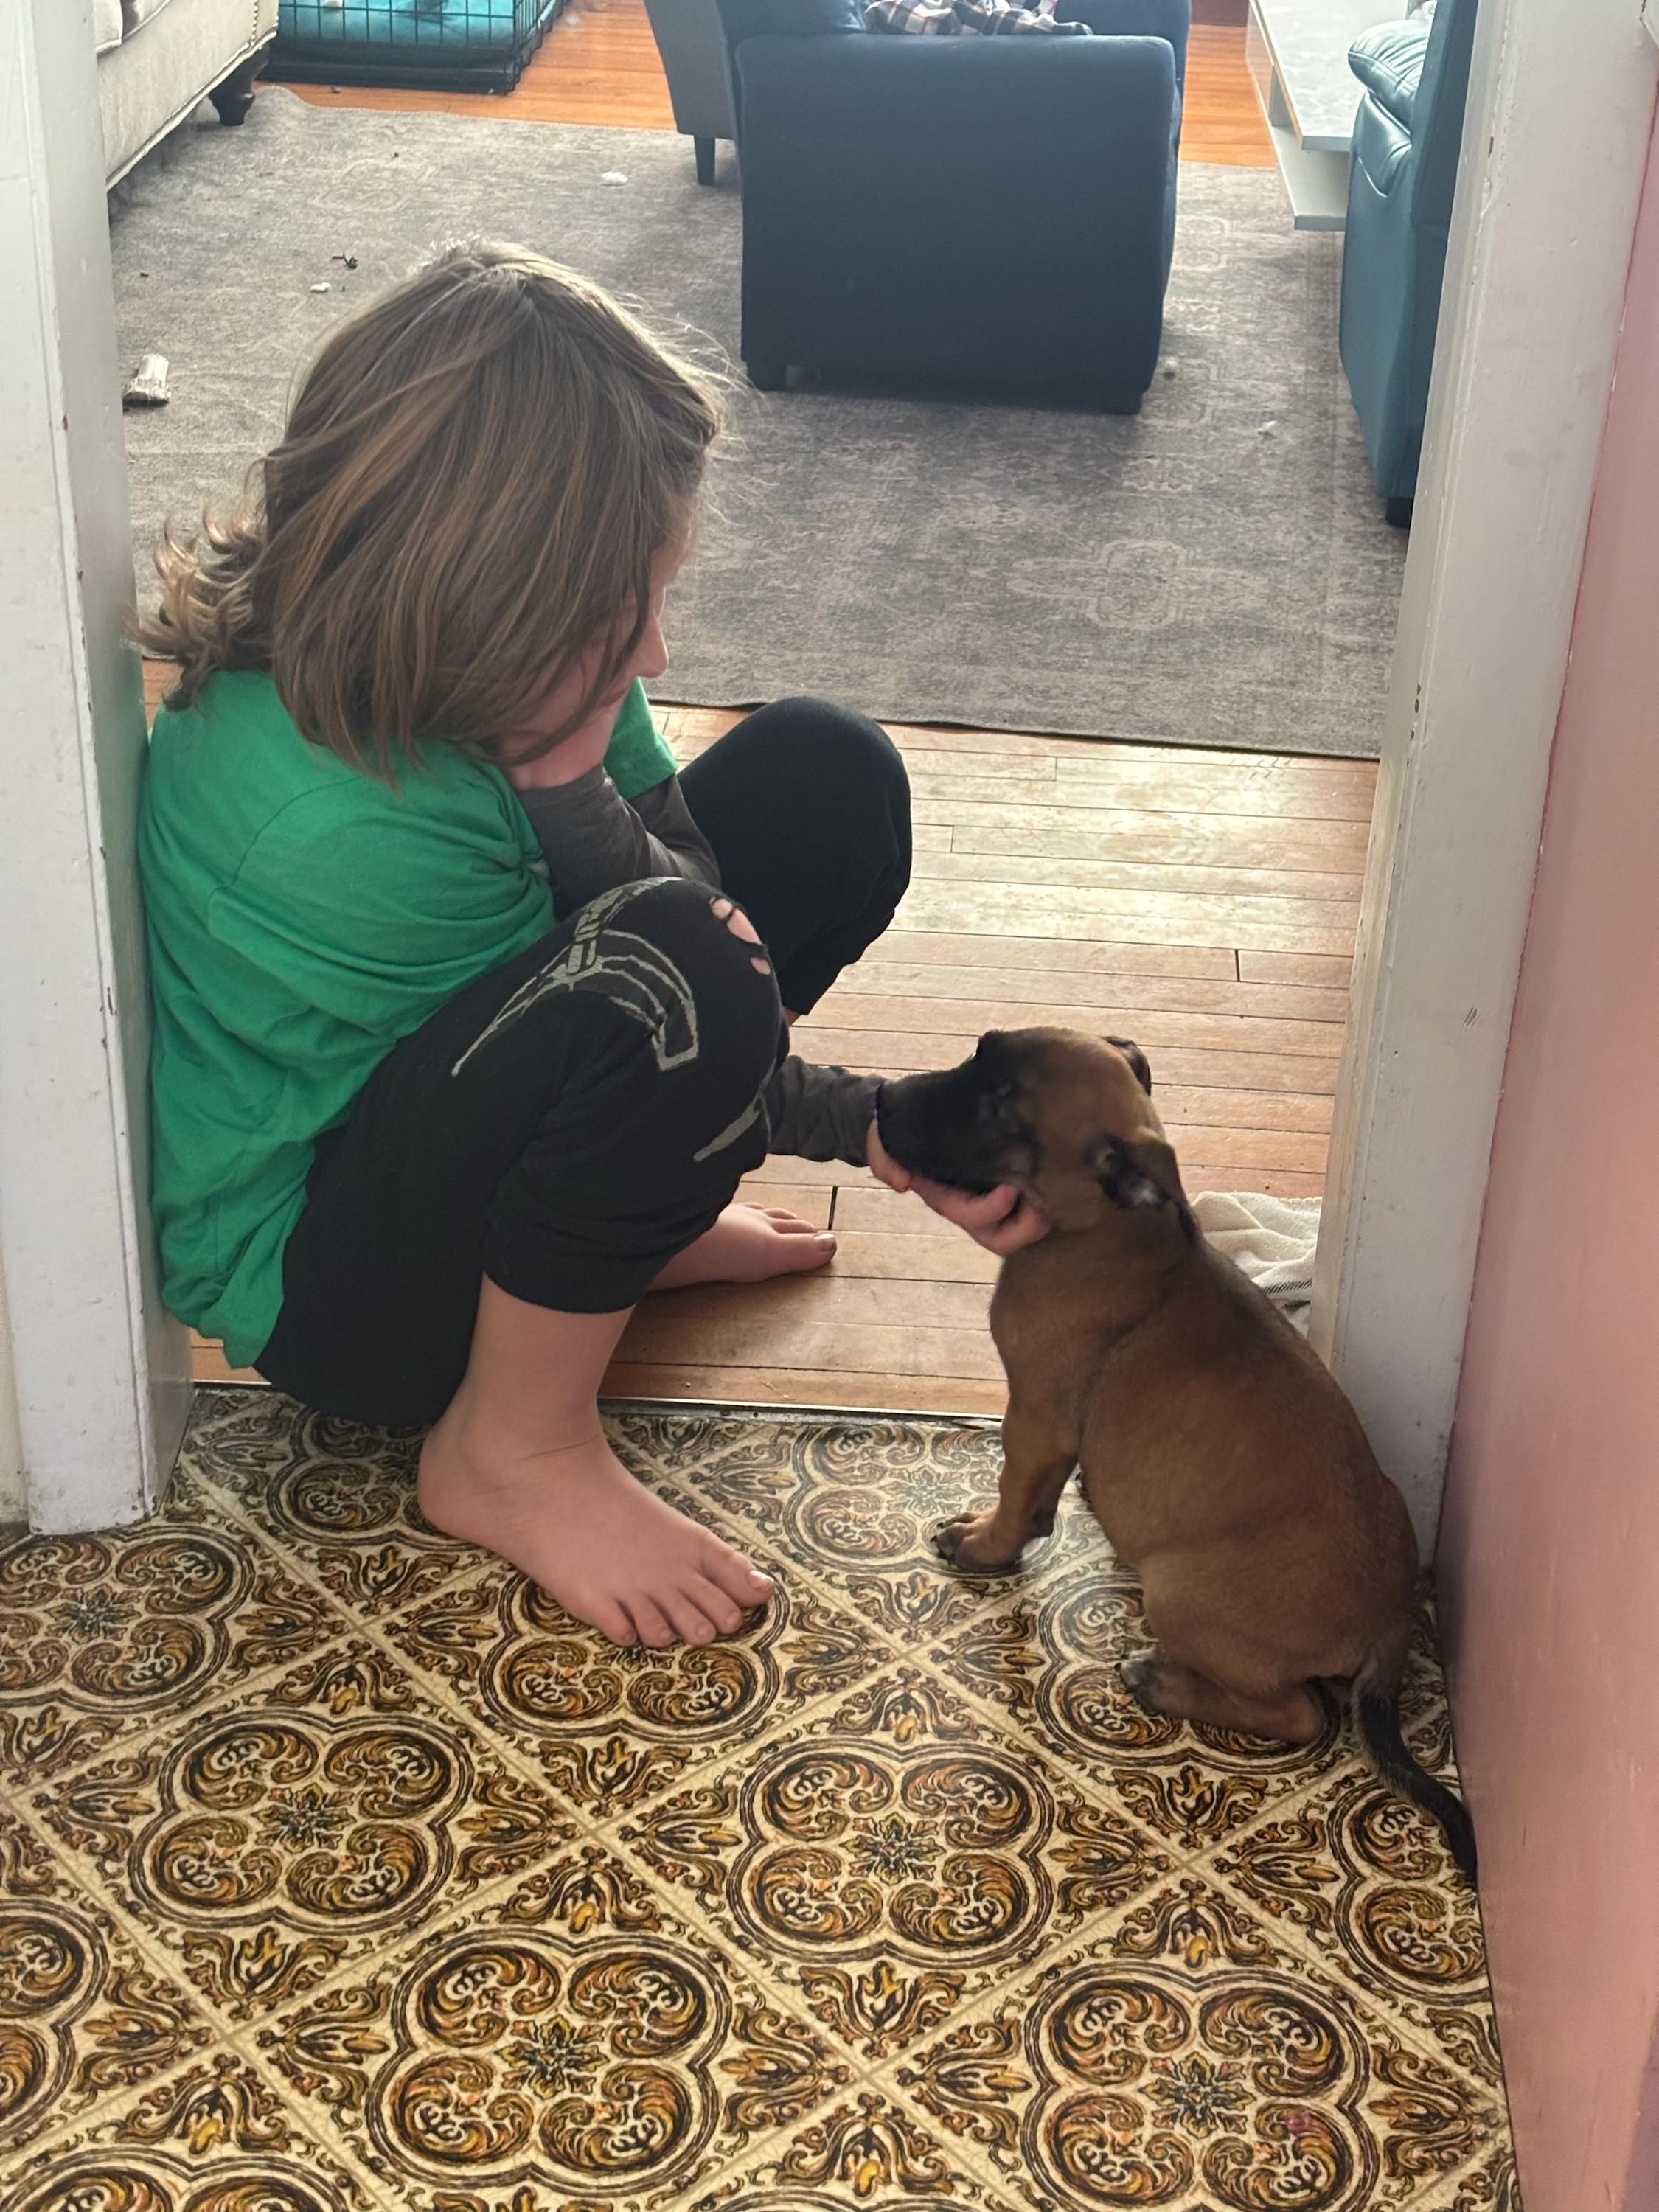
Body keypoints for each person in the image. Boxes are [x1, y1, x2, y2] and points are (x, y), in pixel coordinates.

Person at [137, 240, 1046, 1651]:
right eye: (626, 613)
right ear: (493, 596)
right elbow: (664, 996)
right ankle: (513, 1444)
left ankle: (616, 1239)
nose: (657, 656)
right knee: (662, 966)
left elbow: (684, 881)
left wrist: (566, 778)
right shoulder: (335, 823)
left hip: (484, 1111)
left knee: (825, 774)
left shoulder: (518, 662)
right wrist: (863, 1121)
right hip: (337, 1289)